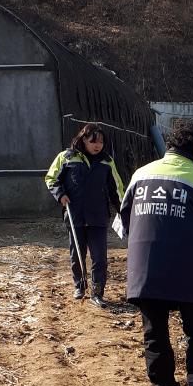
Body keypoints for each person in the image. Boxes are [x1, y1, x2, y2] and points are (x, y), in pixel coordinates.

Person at [118, 119, 193, 386]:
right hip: (188, 268)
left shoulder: (141, 174)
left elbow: (123, 222)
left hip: (146, 269)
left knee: (155, 332)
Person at [45, 123, 124, 305]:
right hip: (75, 214)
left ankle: (97, 293)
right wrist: (60, 194)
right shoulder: (66, 157)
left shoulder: (106, 161)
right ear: (83, 140)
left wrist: (122, 209)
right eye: (93, 141)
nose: (98, 146)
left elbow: (116, 188)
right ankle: (80, 286)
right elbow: (51, 178)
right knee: (77, 254)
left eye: (101, 142)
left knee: (99, 257)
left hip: (98, 216)